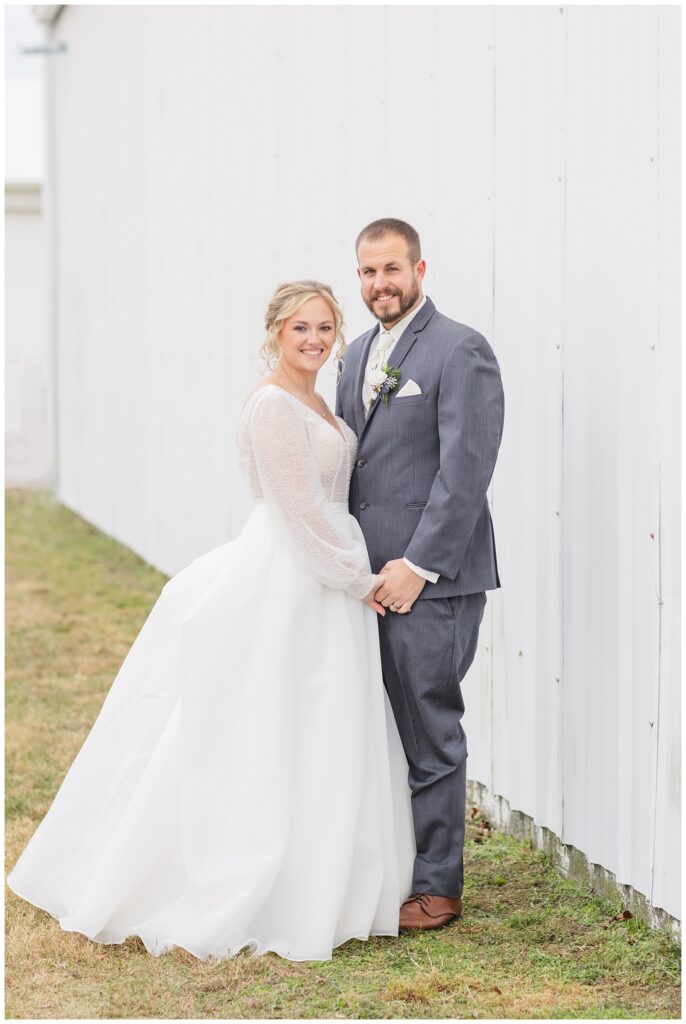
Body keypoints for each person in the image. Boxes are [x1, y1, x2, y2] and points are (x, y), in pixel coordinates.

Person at [7, 280, 416, 963]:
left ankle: (327, 873)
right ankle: (249, 874)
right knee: (268, 721)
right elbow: (297, 510)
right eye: (299, 330)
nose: (314, 340)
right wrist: (358, 578)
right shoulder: (272, 407)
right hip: (299, 572)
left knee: (323, 723)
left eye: (324, 328)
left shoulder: (319, 397)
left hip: (328, 568)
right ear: (274, 335)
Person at [336, 218, 504, 931]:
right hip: (364, 583)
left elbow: (465, 471)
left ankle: (438, 886)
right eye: (368, 273)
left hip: (430, 581)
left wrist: (419, 566)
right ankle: (392, 869)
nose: (380, 285)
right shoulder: (353, 355)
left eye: (392, 271)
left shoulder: (460, 349)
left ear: (420, 269)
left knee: (429, 725)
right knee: (377, 726)